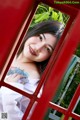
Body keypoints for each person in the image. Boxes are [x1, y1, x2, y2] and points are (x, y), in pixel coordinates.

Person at [0, 20, 64, 120]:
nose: (38, 47)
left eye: (47, 49)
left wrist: (8, 93)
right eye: (40, 37)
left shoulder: (34, 82)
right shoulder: (7, 49)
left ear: (50, 57)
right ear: (35, 31)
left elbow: (9, 117)